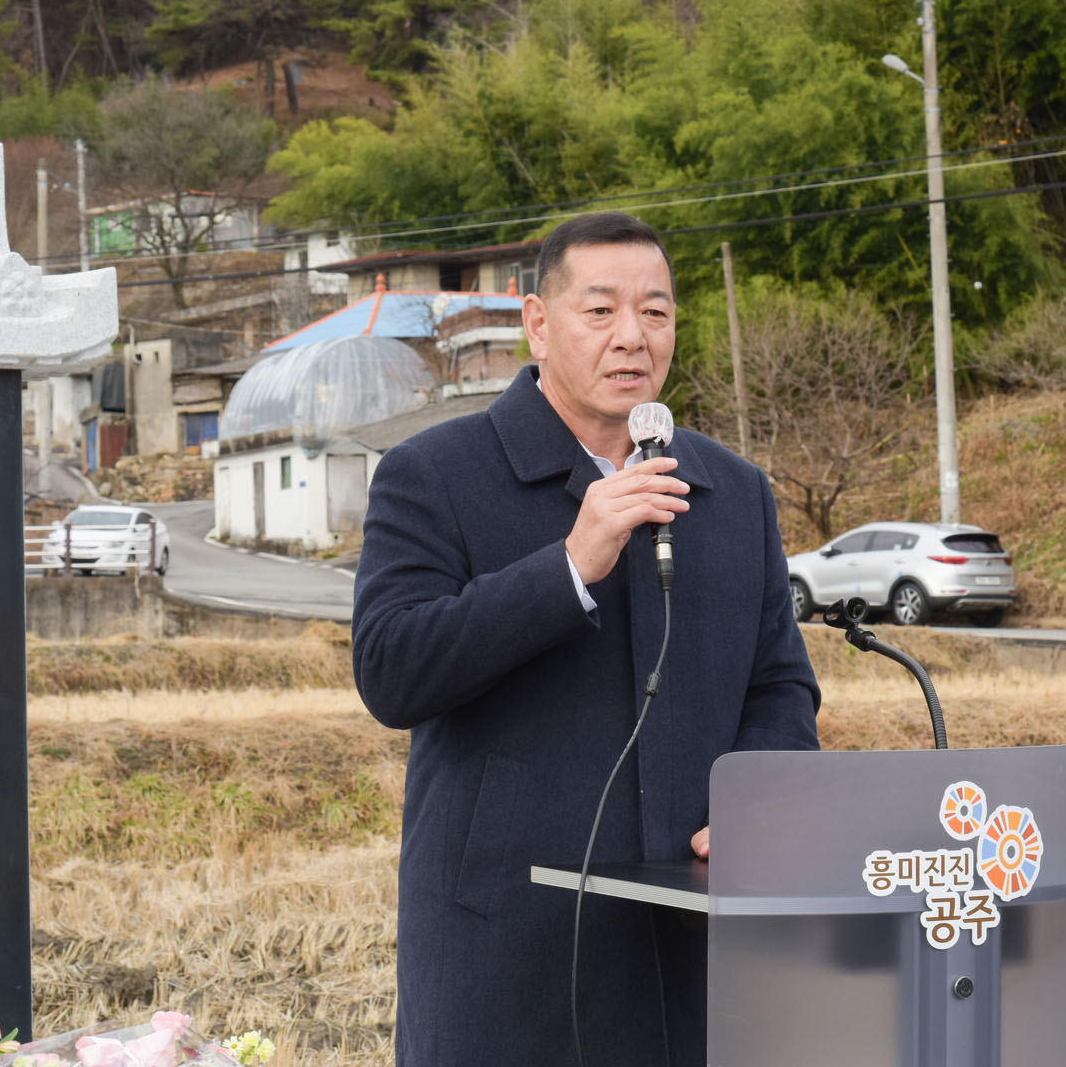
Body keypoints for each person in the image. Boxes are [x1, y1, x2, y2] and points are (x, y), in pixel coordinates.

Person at [351, 212, 821, 1066]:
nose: (632, 337)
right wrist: (569, 565)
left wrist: (755, 804)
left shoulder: (733, 492)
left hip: (693, 940)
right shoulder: (435, 473)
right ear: (538, 324)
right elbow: (392, 670)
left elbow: (779, 686)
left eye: (656, 312)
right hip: (509, 942)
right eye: (600, 311)